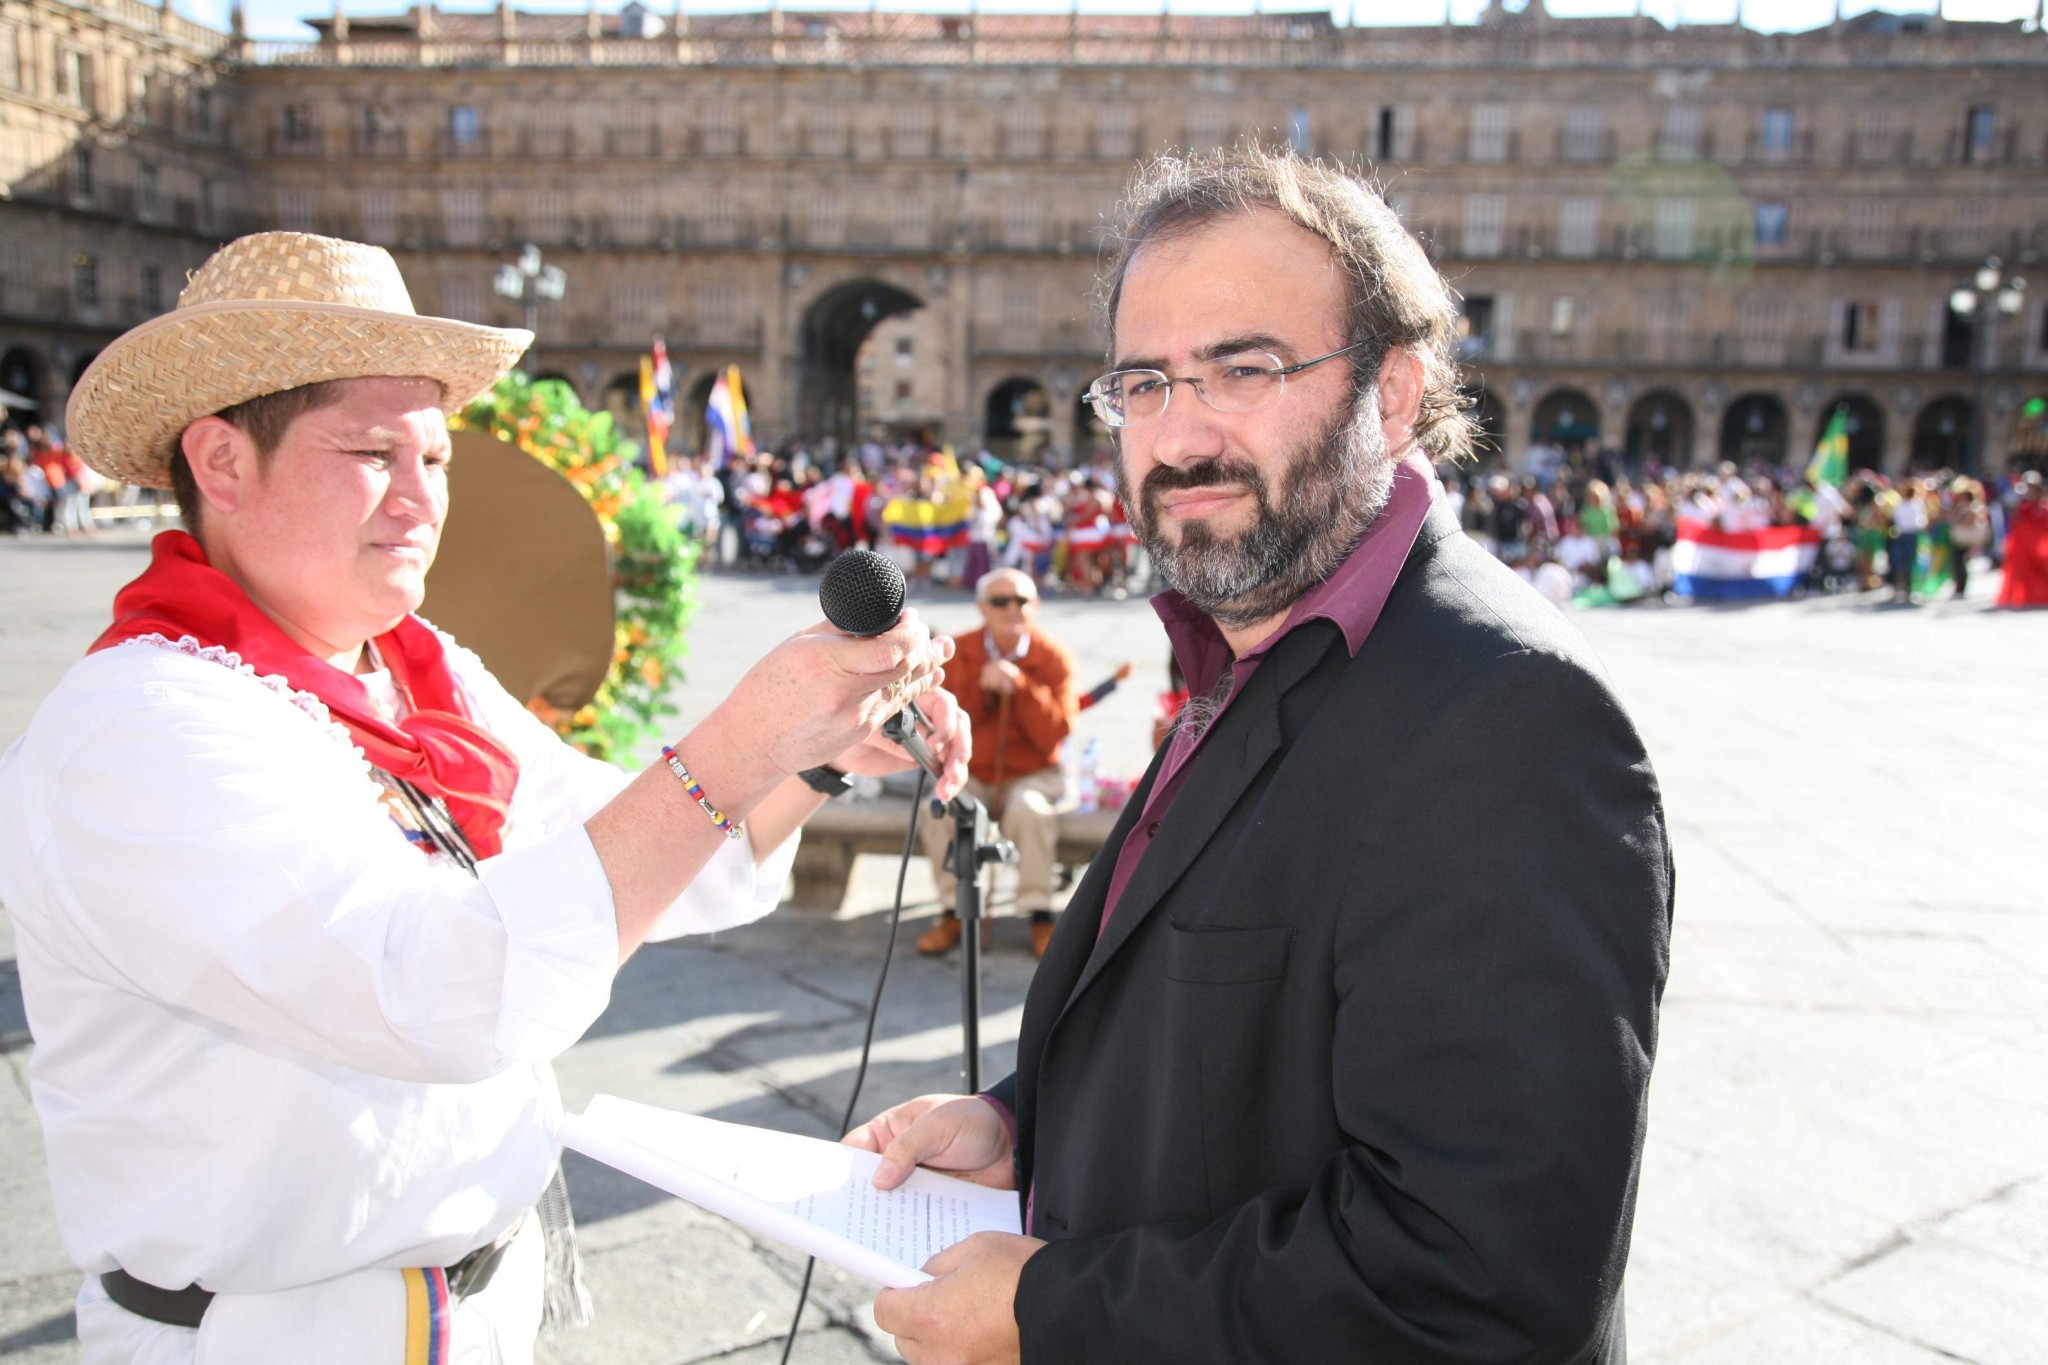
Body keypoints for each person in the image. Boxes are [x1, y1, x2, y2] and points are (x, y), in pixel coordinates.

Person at [0, 232, 969, 1364]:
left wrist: (812, 756)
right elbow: (445, 994)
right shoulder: (144, 728)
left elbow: (647, 852)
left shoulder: (420, 672)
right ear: (219, 461)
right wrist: (740, 732)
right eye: (373, 456)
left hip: (481, 1308)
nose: (421, 502)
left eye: (438, 459)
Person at [847, 149, 1670, 1364]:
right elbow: (1240, 1053)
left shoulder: (1506, 724)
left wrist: (1050, 1308)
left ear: (1393, 395)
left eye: (1243, 368)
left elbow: (1479, 1281)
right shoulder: (1251, 647)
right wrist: (1025, 1128)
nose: (1178, 437)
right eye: (1141, 383)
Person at [917, 567, 1078, 960]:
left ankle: (1039, 913)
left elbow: (1056, 732)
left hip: (1034, 773)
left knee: (1031, 811)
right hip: (972, 770)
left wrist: (1021, 688)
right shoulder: (960, 650)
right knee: (936, 810)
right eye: (1000, 601)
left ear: (1035, 605)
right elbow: (938, 722)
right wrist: (980, 686)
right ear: (981, 607)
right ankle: (953, 911)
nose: (1012, 609)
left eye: (1021, 600)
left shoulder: (1053, 656)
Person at [1995, 470, 2048, 607]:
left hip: (2040, 545)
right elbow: (2014, 519)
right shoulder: (2021, 503)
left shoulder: (2044, 505)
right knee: (2020, 571)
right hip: (2022, 546)